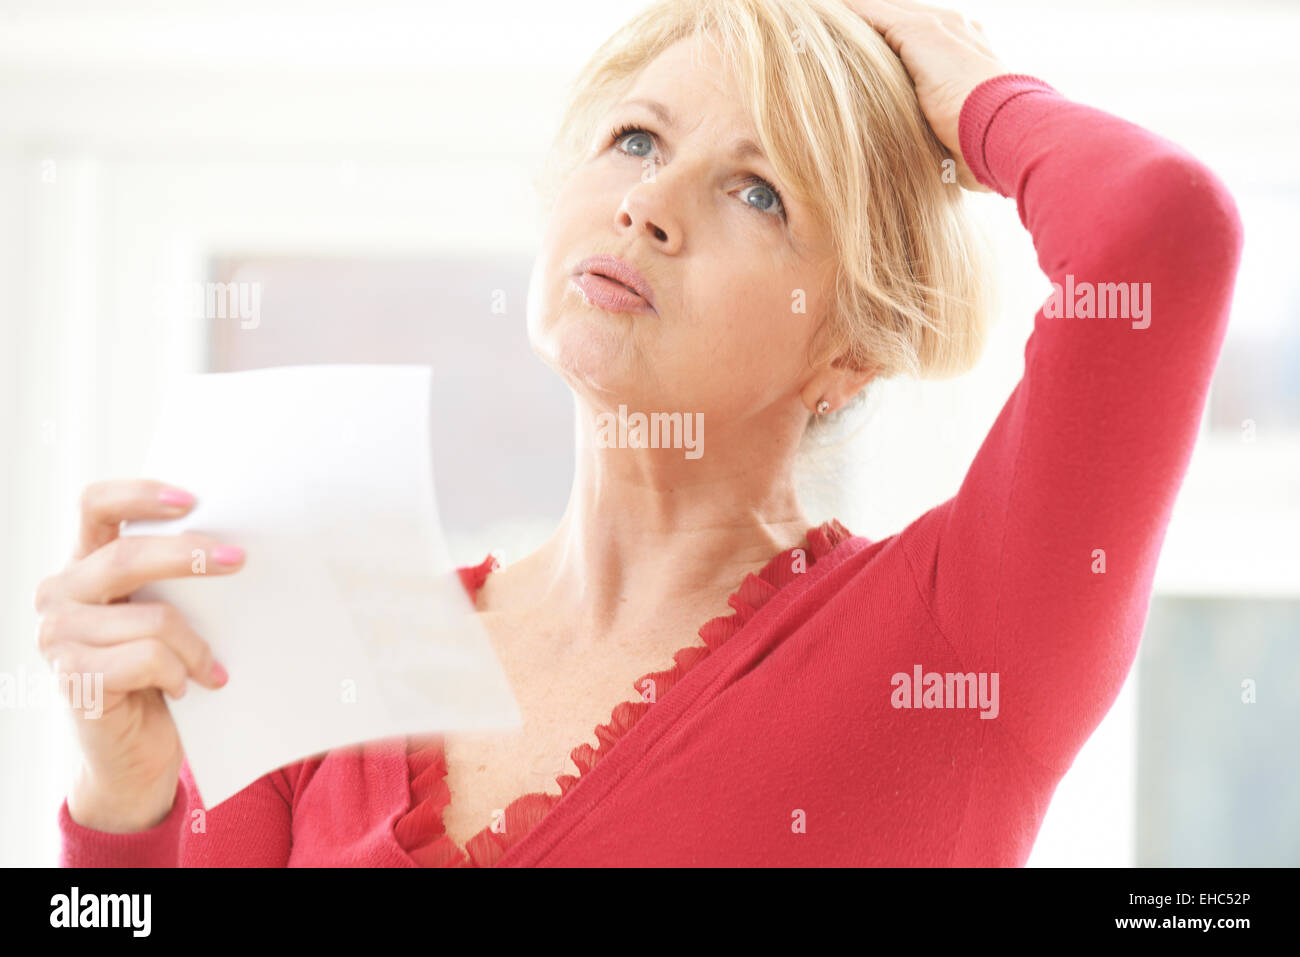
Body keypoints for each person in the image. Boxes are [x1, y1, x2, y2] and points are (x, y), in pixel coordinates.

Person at [38, 0, 1243, 866]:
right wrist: (122, 804)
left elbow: (1162, 232)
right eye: (636, 139)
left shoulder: (959, 646)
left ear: (848, 351)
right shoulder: (338, 641)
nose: (649, 204)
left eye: (758, 191)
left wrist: (959, 74)